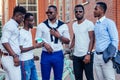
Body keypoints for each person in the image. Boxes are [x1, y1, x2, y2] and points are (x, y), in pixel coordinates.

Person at [35, 5, 70, 80]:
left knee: (58, 78)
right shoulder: (42, 25)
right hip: (45, 55)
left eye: (51, 12)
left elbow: (67, 41)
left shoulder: (63, 25)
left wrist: (59, 36)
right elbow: (37, 39)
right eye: (47, 12)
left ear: (56, 13)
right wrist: (44, 43)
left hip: (58, 54)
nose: (48, 14)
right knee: (45, 78)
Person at [94, 2, 118, 80]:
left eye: (96, 9)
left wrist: (110, 56)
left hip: (106, 57)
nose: (94, 11)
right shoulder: (96, 24)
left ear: (101, 10)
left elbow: (114, 40)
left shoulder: (109, 23)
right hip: (97, 57)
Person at [69, 4, 95, 80]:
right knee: (78, 78)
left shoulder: (89, 24)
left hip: (86, 55)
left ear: (84, 12)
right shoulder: (74, 25)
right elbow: (74, 37)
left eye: (80, 11)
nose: (78, 13)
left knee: (89, 77)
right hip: (76, 56)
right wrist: (70, 48)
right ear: (74, 13)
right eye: (76, 11)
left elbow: (92, 39)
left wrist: (88, 54)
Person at [1, 6, 26, 80]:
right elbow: (4, 42)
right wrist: (15, 56)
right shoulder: (10, 25)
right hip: (10, 58)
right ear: (17, 15)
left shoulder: (13, 25)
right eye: (22, 17)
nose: (23, 20)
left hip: (8, 57)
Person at [19, 13, 43, 80]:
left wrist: (33, 56)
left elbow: (27, 45)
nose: (33, 22)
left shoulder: (29, 31)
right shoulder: (21, 33)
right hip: (24, 61)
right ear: (26, 21)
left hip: (31, 60)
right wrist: (34, 46)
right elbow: (21, 49)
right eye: (32, 20)